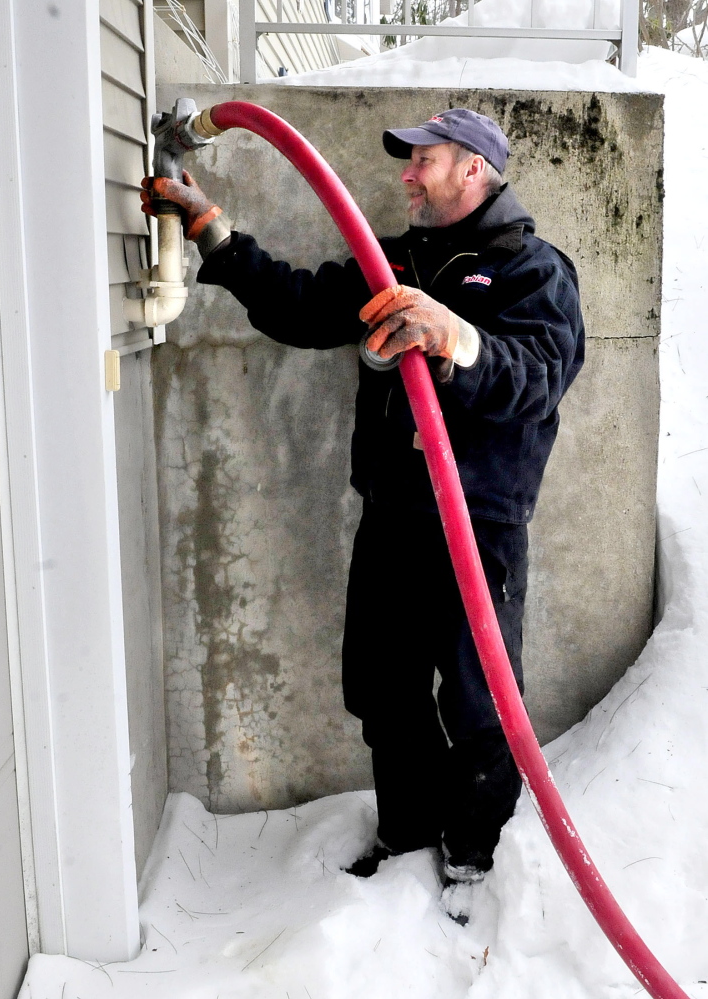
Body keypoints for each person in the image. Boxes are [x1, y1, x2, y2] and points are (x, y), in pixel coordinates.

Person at [141, 107, 585, 899]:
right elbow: (300, 306)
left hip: (475, 526)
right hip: (392, 517)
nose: (407, 175)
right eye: (407, 163)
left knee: (481, 702)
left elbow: (538, 376)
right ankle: (409, 828)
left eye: (424, 161)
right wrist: (213, 233)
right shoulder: (400, 259)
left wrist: (456, 338)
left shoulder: (532, 270)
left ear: (474, 169)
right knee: (381, 687)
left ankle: (470, 853)